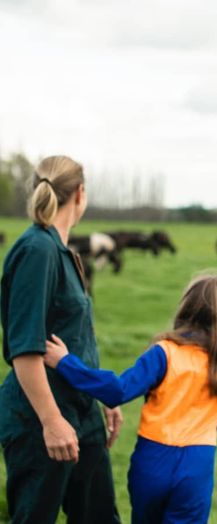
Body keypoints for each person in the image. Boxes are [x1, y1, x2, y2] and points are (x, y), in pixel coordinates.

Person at [43, 274, 217, 524]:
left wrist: (65, 363)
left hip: (153, 460)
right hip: (198, 464)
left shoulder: (165, 353)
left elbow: (118, 391)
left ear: (187, 306)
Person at [0, 155, 122, 524]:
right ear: (80, 194)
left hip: (82, 416)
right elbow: (24, 348)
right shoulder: (36, 251)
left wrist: (100, 391)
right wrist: (51, 421)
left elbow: (72, 335)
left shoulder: (62, 250)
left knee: (100, 517)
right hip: (41, 421)